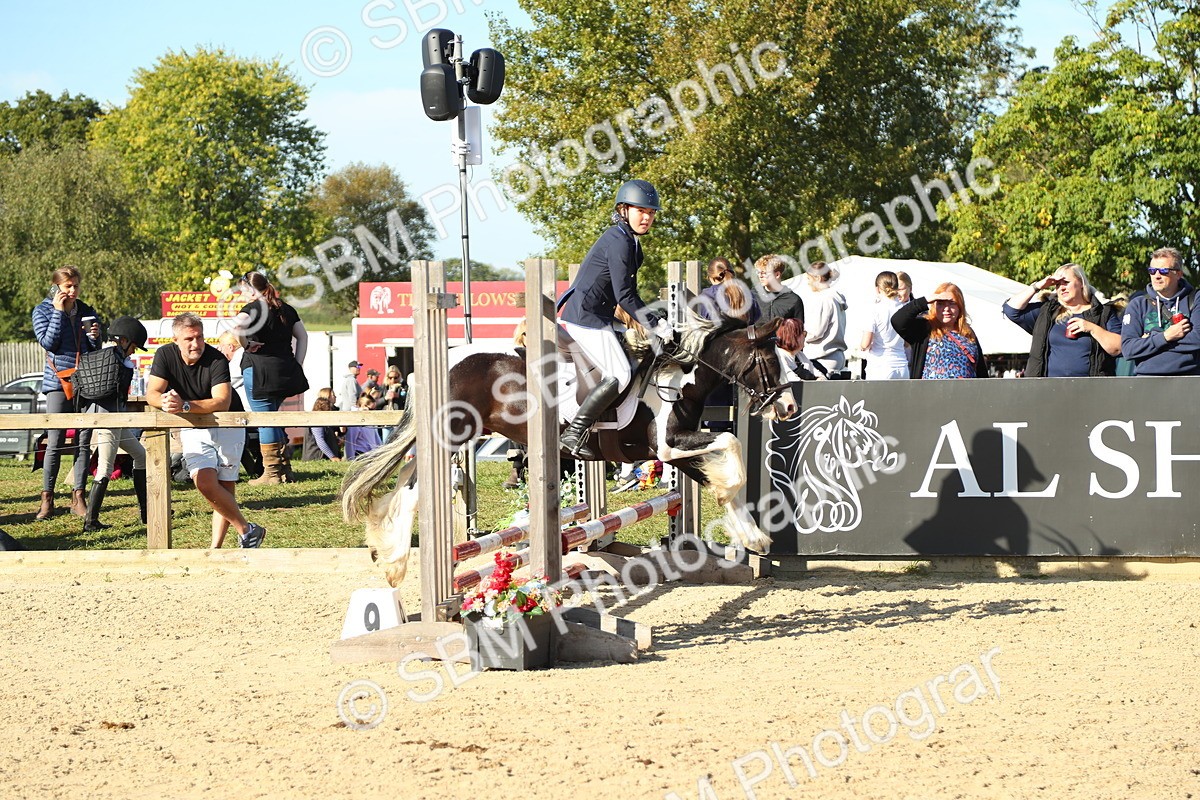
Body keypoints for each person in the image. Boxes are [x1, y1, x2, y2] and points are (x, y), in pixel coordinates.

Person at [556, 179, 672, 458]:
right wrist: (654, 323)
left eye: (651, 213)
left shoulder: (630, 241)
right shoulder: (619, 241)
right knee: (619, 373)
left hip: (600, 316)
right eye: (641, 211)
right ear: (624, 209)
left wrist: (654, 317)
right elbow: (624, 295)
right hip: (586, 317)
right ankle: (574, 433)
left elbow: (626, 293)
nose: (647, 217)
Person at [147, 312, 266, 549]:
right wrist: (165, 402)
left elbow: (221, 400)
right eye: (189, 339)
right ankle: (247, 529)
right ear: (175, 340)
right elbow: (152, 393)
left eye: (199, 337)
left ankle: (216, 549)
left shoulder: (217, 359)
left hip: (226, 423)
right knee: (204, 481)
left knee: (225, 487)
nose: (195, 344)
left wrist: (186, 405)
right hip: (193, 424)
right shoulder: (164, 355)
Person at [32, 265, 102, 520]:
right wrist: (59, 312)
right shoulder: (42, 310)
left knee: (84, 441)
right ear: (56, 288)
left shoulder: (86, 310)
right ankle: (47, 500)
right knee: (55, 441)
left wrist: (94, 336)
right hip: (56, 382)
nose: (72, 291)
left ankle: (78, 497)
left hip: (84, 381)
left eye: (75, 286)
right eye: (67, 287)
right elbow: (48, 343)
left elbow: (94, 349)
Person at [234, 271, 309, 485]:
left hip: (259, 372)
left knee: (265, 420)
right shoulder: (285, 308)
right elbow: (303, 336)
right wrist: (298, 363)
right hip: (284, 371)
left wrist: (246, 344)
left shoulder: (252, 309)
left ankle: (272, 474)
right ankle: (285, 470)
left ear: (249, 288)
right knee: (274, 417)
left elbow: (237, 327)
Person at [79, 316, 149, 532]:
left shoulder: (112, 357)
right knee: (105, 468)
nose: (135, 352)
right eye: (135, 347)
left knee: (140, 455)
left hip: (115, 418)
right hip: (110, 419)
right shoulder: (116, 360)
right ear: (125, 340)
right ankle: (90, 521)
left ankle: (146, 511)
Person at [1003, 263, 1122, 377]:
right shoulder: (1047, 312)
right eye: (1057, 284)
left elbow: (1119, 348)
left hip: (1091, 391)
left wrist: (1092, 328)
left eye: (1066, 282)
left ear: (1081, 283)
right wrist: (1037, 286)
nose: (1062, 288)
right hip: (1048, 390)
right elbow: (1011, 310)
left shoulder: (1103, 312)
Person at [1121, 246, 1200, 375]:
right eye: (1152, 271)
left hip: (1189, 381)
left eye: (1163, 271)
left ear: (1178, 274)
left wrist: (1149, 341)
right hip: (1147, 382)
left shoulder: (1195, 299)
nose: (1157, 276)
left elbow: (1197, 339)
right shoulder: (1138, 304)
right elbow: (1128, 350)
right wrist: (1165, 336)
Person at [892, 282, 988, 379]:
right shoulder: (924, 328)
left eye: (952, 304)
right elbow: (898, 321)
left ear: (960, 306)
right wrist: (925, 301)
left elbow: (981, 372)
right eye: (941, 304)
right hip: (930, 392)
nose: (946, 309)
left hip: (965, 392)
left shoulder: (968, 333)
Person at [215, 330, 263, 478]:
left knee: (225, 430)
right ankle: (253, 469)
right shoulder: (245, 356)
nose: (219, 350)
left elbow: (223, 382)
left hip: (246, 411)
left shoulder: (237, 360)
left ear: (230, 347)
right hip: (253, 409)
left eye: (221, 346)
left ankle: (252, 469)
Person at [859, 271, 910, 380]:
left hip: (880, 365)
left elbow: (866, 343)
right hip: (902, 365)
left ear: (877, 289)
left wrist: (862, 347)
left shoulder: (874, 310)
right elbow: (907, 343)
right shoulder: (904, 309)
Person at [801, 261, 848, 375]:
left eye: (809, 279)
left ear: (817, 278)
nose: (808, 283)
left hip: (822, 357)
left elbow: (816, 332)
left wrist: (799, 336)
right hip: (835, 355)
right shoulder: (835, 297)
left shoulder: (824, 298)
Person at [697, 257, 760, 323]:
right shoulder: (747, 293)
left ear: (711, 278)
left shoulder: (707, 296)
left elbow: (703, 323)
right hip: (747, 332)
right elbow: (757, 320)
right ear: (732, 273)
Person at [754, 254, 804, 322]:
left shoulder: (793, 300)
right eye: (758, 272)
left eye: (764, 273)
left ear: (777, 275)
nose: (760, 276)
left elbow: (798, 330)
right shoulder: (753, 296)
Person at [302, 388, 343, 461]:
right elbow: (320, 440)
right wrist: (332, 457)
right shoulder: (317, 420)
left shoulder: (322, 420)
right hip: (316, 457)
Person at [344, 393, 383, 459]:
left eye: (374, 409)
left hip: (371, 453)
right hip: (360, 454)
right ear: (363, 406)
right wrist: (350, 459)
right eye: (371, 409)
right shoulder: (355, 419)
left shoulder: (370, 419)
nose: (373, 412)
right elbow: (350, 441)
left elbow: (376, 438)